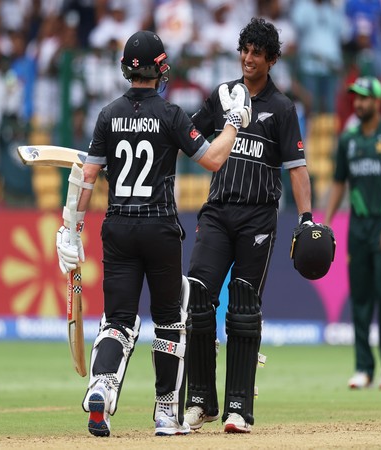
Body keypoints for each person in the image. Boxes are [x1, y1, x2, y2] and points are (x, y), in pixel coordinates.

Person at [54, 30, 250, 438]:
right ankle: (165, 413)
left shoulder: (107, 114)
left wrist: (71, 229)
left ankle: (102, 388)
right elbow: (214, 160)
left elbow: (87, 175)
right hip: (159, 227)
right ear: (160, 68)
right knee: (168, 322)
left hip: (118, 226)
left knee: (118, 321)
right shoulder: (172, 114)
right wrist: (232, 124)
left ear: (126, 68)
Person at [183, 18, 313, 433]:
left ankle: (239, 406)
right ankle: (200, 401)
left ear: (272, 59)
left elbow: (297, 169)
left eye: (258, 52)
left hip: (258, 216)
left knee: (242, 307)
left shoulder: (283, 108)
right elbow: (188, 137)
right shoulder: (221, 96)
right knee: (199, 296)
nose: (249, 58)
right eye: (245, 50)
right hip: (218, 211)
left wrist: (307, 219)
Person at [324, 76, 381, 390]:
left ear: (377, 101)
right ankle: (363, 368)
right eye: (355, 98)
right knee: (360, 299)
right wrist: (327, 220)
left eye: (364, 98)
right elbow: (338, 183)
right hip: (357, 228)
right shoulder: (348, 141)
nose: (358, 103)